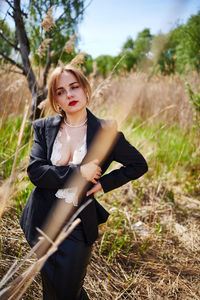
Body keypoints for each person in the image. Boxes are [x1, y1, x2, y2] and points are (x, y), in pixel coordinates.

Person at [20, 64, 148, 300]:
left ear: (85, 89)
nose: (69, 95)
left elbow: (139, 165)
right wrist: (79, 173)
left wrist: (104, 184)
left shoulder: (105, 131)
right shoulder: (44, 128)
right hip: (41, 220)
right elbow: (35, 171)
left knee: (68, 290)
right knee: (51, 290)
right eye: (60, 91)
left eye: (74, 87)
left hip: (78, 222)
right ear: (55, 99)